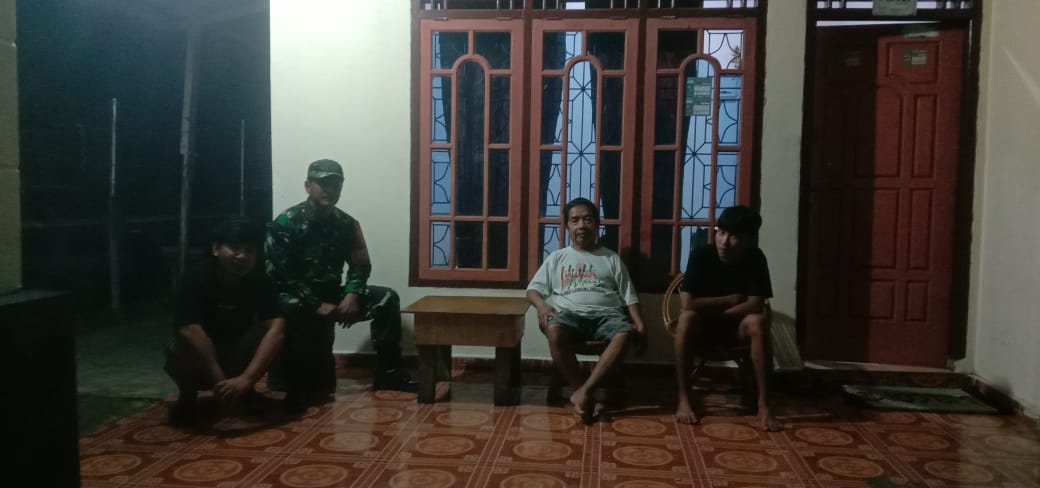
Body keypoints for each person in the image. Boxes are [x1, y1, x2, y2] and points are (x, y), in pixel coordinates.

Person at [266, 159, 415, 413]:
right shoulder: (286, 222)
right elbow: (281, 274)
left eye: (335, 184)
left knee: (386, 298)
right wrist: (315, 304)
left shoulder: (347, 224)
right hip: (296, 296)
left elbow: (360, 265)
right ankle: (292, 382)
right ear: (308, 186)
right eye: (322, 183)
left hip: (332, 294)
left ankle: (389, 373)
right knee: (290, 309)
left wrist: (351, 294)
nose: (329, 189)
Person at [527, 197, 646, 423]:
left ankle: (583, 394)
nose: (581, 225)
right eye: (575, 220)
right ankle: (584, 392)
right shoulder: (557, 258)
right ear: (567, 226)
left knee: (624, 334)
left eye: (587, 219)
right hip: (570, 316)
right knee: (554, 331)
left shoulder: (611, 258)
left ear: (597, 224)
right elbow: (532, 291)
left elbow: (629, 295)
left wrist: (640, 324)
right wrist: (542, 306)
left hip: (608, 316)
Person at [164, 218, 286, 425]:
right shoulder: (195, 277)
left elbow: (277, 327)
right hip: (202, 354)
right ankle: (188, 396)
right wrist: (221, 385)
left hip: (236, 349)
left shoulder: (261, 280)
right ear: (216, 249)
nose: (242, 256)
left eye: (249, 250)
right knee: (179, 344)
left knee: (275, 334)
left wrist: (246, 379)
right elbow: (189, 329)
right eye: (235, 248)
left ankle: (247, 391)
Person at [673, 205, 781, 431]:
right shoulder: (701, 255)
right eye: (721, 232)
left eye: (734, 236)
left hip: (738, 327)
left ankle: (764, 404)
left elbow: (755, 304)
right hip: (703, 326)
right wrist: (731, 299)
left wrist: (714, 310)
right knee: (686, 318)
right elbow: (688, 304)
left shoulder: (755, 258)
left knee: (758, 321)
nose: (724, 241)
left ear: (749, 240)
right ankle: (684, 398)